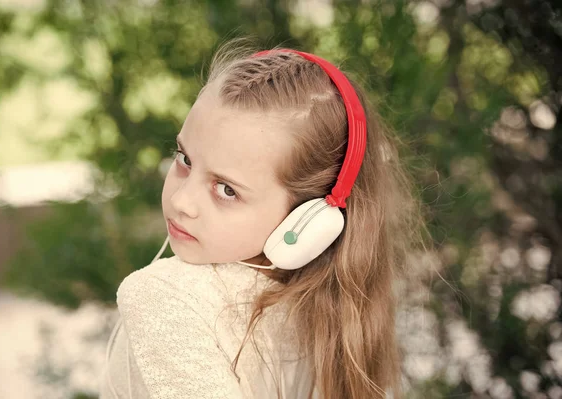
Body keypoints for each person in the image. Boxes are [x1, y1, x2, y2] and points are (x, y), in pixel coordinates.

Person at [99, 38, 426, 399]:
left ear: (309, 219)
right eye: (185, 159)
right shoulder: (332, 316)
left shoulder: (164, 296)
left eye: (226, 190)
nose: (181, 200)